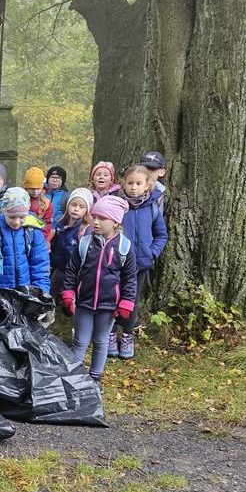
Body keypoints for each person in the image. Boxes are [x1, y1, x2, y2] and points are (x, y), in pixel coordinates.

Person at [61, 195, 137, 385]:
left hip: (108, 306)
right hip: (84, 303)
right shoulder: (85, 243)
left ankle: (95, 378)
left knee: (101, 341)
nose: (96, 222)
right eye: (94, 217)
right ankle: (73, 379)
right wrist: (68, 294)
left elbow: (130, 278)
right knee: (80, 341)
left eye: (102, 218)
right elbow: (71, 270)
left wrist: (126, 303)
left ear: (115, 221)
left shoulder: (124, 247)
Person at [111, 164, 168, 359]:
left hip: (141, 264)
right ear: (123, 184)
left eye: (138, 183)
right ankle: (110, 333)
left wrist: (151, 253)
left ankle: (127, 335)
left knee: (132, 301)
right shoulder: (117, 206)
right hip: (117, 262)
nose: (134, 187)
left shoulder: (152, 208)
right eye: (130, 183)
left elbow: (161, 235)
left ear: (147, 186)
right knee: (112, 297)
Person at [0, 189, 51, 322]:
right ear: (4, 211)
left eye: (22, 217)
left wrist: (41, 298)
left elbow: (40, 268)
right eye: (12, 217)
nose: (16, 221)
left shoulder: (33, 232)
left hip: (27, 297)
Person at [50, 188, 94, 297]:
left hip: (75, 272)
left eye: (81, 206)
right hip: (59, 268)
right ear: (68, 205)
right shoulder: (60, 224)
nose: (76, 209)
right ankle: (49, 311)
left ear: (86, 210)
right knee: (51, 292)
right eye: (73, 205)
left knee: (71, 296)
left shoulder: (85, 230)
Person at [23, 166, 54, 244]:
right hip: (22, 236)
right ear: (26, 187)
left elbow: (48, 223)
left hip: (39, 238)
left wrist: (41, 237)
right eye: (32, 189)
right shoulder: (21, 200)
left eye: (38, 188)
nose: (35, 191)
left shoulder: (46, 204)